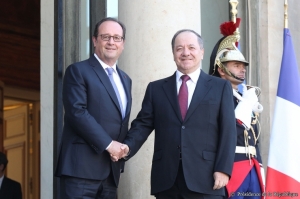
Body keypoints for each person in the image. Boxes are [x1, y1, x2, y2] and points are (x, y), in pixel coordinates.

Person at [120, 29, 237, 198]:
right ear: (173, 54)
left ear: (202, 52)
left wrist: (223, 169)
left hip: (207, 179)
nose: (185, 53)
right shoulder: (156, 89)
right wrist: (126, 147)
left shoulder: (220, 87)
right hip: (167, 181)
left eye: (191, 47)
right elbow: (142, 125)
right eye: (179, 48)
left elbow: (228, 132)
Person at [55, 17, 131, 199]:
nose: (111, 42)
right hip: (80, 171)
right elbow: (77, 112)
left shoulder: (125, 79)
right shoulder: (78, 71)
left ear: (123, 44)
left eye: (116, 38)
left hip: (110, 173)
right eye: (105, 37)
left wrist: (122, 150)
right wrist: (109, 145)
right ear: (95, 40)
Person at [209, 21, 264, 199]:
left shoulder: (244, 97)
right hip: (231, 167)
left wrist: (260, 166)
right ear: (221, 69)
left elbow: (254, 138)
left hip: (252, 166)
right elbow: (229, 129)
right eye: (236, 65)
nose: (242, 70)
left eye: (243, 66)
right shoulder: (213, 97)